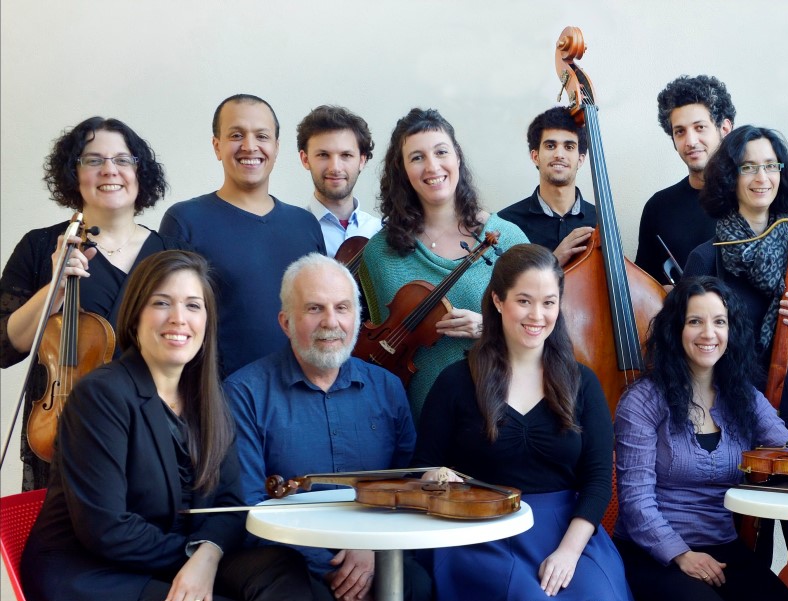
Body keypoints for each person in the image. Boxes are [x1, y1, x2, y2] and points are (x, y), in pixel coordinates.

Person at [20, 250, 324, 601]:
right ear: (135, 315)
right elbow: (105, 529)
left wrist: (208, 554)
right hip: (96, 586)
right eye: (162, 303)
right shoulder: (101, 396)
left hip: (165, 563)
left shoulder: (209, 399)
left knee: (308, 595)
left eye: (193, 306)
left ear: (206, 321)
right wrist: (192, 556)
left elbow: (230, 503)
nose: (179, 318)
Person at [413, 244, 645, 601]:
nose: (537, 315)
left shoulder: (582, 382)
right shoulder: (455, 382)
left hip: (567, 529)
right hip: (480, 531)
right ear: (498, 301)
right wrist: (437, 478)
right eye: (524, 301)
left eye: (548, 302)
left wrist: (569, 552)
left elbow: (597, 481)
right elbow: (422, 468)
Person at [226, 253, 430, 601]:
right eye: (314, 309)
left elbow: (408, 487)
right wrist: (337, 573)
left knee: (416, 588)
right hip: (290, 563)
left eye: (342, 308)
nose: (331, 322)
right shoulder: (243, 393)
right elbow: (249, 507)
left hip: (376, 551)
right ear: (286, 322)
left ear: (358, 317)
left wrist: (372, 555)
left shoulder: (388, 388)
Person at [613, 276, 788, 601]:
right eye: (695, 321)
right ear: (675, 330)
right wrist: (680, 554)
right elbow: (635, 502)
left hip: (721, 544)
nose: (709, 333)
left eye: (719, 322)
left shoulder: (743, 396)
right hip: (649, 550)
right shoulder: (643, 401)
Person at [1, 116, 184, 491]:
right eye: (93, 160)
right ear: (74, 172)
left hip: (150, 430)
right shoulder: (40, 247)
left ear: (139, 172)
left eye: (122, 159)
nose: (109, 170)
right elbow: (4, 346)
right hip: (65, 427)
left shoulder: (172, 255)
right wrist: (53, 289)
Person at [355, 107, 528, 417]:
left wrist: (489, 326)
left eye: (441, 152)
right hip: (415, 421)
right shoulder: (380, 253)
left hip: (499, 416)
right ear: (402, 169)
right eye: (417, 157)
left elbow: (545, 328)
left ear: (457, 157)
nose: (432, 166)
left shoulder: (508, 238)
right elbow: (380, 354)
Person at [159, 93, 325, 378]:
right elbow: (169, 318)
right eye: (236, 135)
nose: (249, 146)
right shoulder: (185, 220)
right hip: (217, 392)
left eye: (262, 136)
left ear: (276, 147)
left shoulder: (305, 223)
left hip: (301, 389)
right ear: (217, 146)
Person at [682, 125, 788, 443]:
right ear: (730, 177)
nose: (762, 177)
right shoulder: (705, 258)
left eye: (770, 166)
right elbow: (686, 347)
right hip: (731, 408)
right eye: (748, 167)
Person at [635, 74, 736, 287]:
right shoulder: (658, 207)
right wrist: (661, 294)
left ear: (725, 129)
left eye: (700, 127)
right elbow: (642, 287)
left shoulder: (754, 199)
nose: (690, 141)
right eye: (680, 132)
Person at [497, 106, 597, 265]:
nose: (559, 155)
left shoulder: (600, 221)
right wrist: (553, 261)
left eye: (569, 147)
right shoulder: (506, 223)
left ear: (580, 159)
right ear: (535, 156)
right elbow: (500, 281)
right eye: (550, 146)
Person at [296, 105, 382, 257]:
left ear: (362, 160)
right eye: (323, 155)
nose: (335, 168)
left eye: (346, 155)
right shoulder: (291, 231)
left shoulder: (381, 232)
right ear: (305, 159)